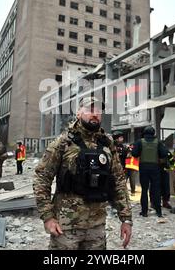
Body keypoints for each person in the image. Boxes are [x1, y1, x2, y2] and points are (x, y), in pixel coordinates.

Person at [34, 97, 132, 250]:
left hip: (96, 226)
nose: (95, 114)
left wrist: (126, 219)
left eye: (99, 110)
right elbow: (42, 178)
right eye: (90, 110)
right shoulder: (63, 142)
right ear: (79, 113)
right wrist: (48, 217)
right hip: (65, 227)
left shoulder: (107, 143)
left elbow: (118, 180)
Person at [131, 126, 168, 219]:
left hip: (143, 167)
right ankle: (158, 211)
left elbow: (134, 154)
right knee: (156, 189)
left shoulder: (140, 142)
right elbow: (164, 154)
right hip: (155, 168)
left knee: (144, 190)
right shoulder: (158, 142)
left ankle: (144, 212)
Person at [113, 131, 136, 195]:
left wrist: (124, 167)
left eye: (122, 138)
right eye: (121, 137)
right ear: (116, 138)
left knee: (121, 184)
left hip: (121, 168)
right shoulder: (111, 146)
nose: (122, 139)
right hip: (113, 169)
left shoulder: (124, 147)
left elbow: (126, 157)